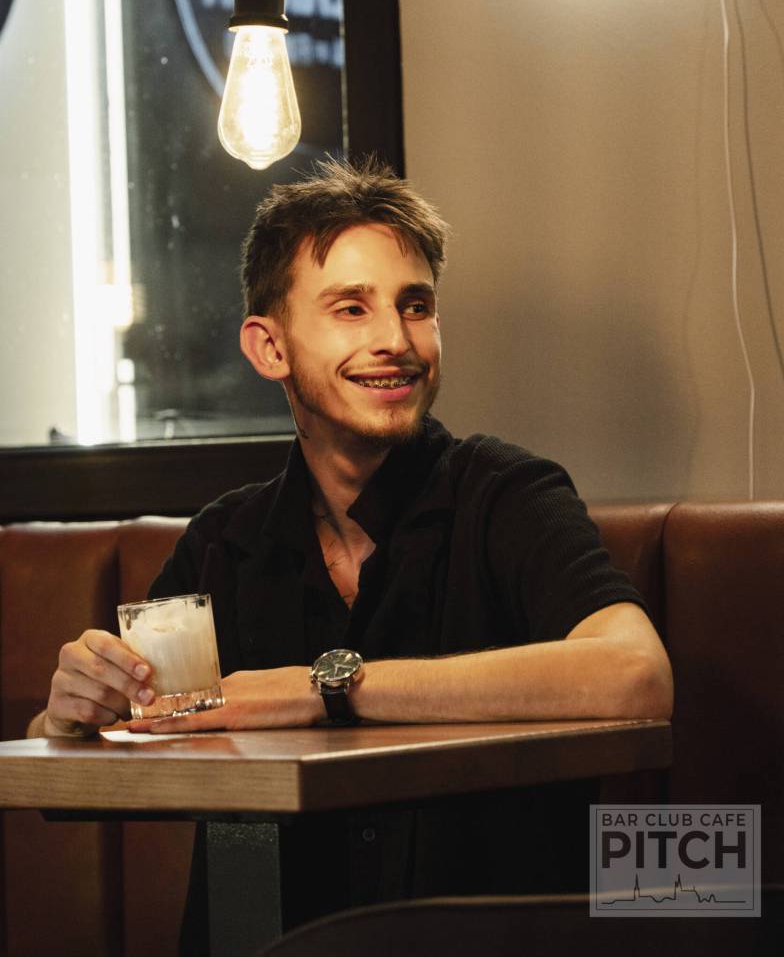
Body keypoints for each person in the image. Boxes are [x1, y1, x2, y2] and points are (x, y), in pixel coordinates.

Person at [28, 158, 672, 936]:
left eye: (415, 306)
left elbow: (636, 676)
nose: (395, 340)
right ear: (269, 348)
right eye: (350, 309)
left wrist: (319, 689)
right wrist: (69, 717)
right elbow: (122, 735)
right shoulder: (223, 543)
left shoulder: (506, 495)